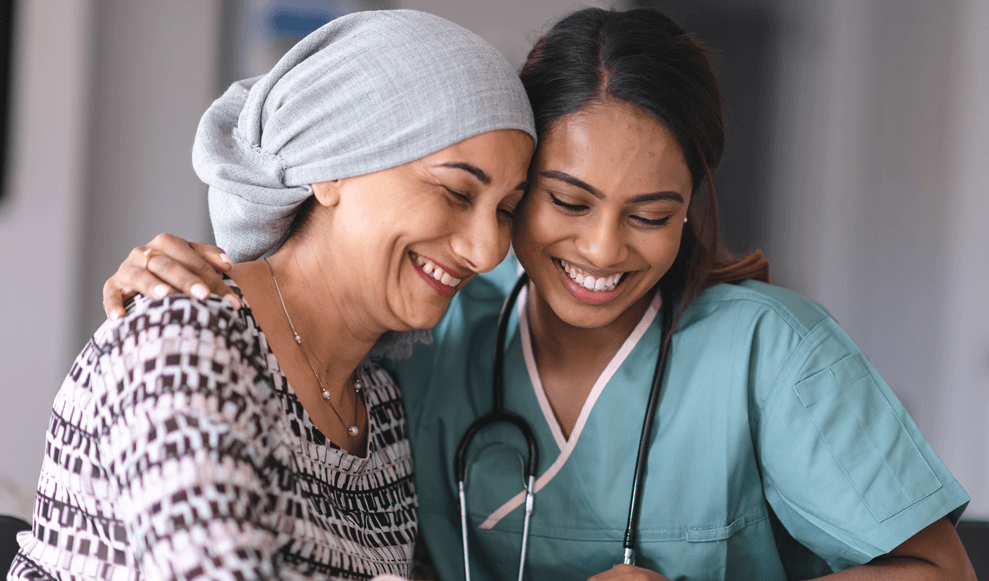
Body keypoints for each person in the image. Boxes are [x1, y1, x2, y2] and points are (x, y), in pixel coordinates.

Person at [98, 7, 975, 581]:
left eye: (651, 215)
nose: (601, 249)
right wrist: (203, 288)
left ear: (691, 211)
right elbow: (298, 320)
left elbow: (941, 569)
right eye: (562, 201)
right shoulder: (429, 331)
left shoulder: (771, 351)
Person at [9, 10, 535, 581]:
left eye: (506, 210)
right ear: (332, 167)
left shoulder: (378, 404)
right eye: (457, 192)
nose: (488, 251)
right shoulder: (185, 346)